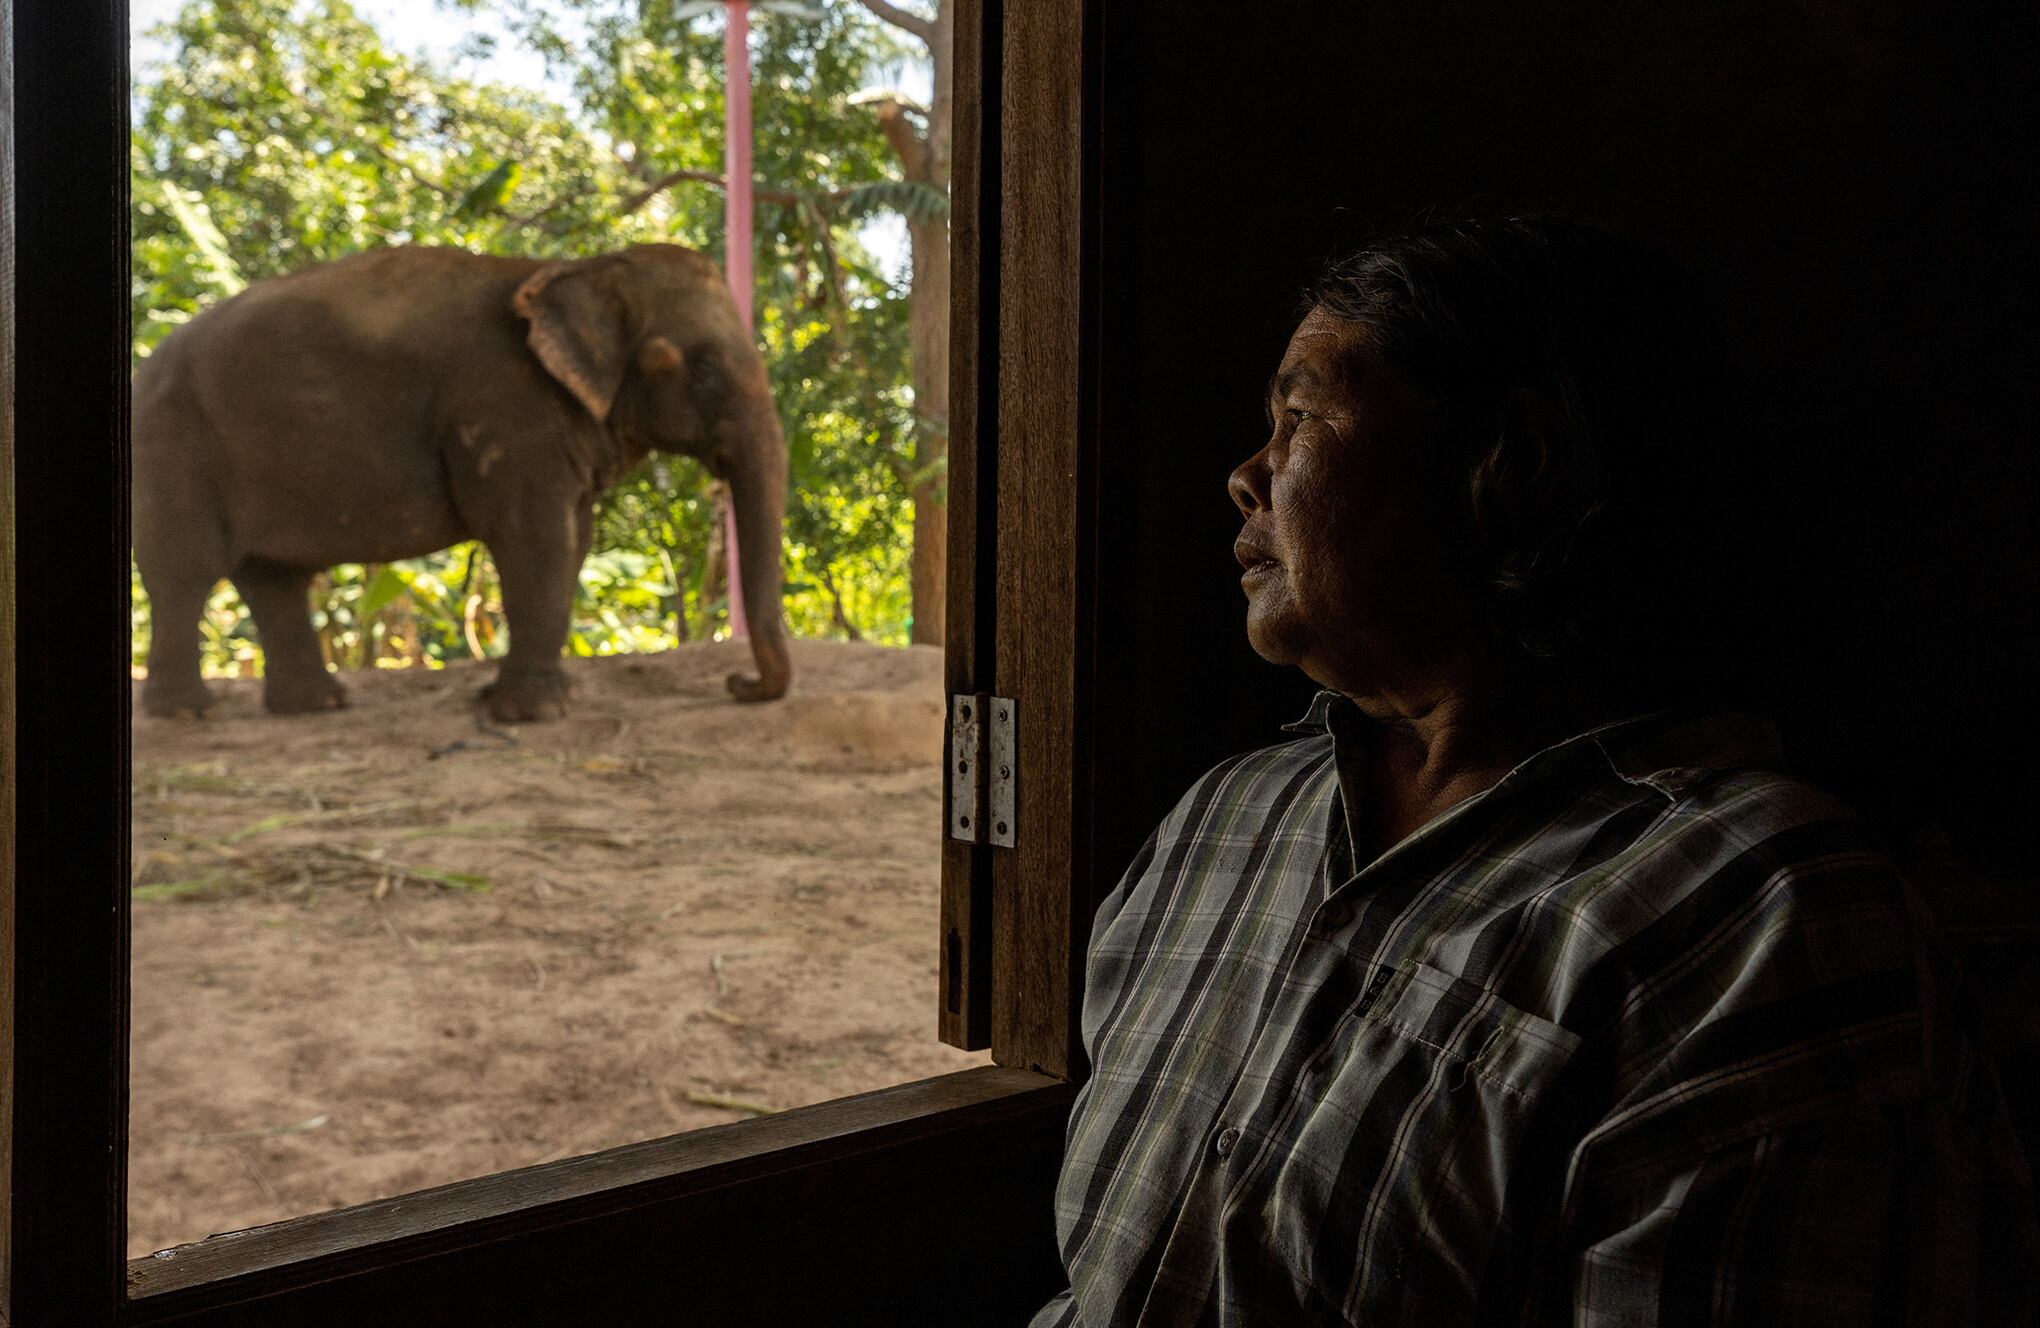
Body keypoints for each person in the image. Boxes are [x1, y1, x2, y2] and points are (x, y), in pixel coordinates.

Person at [1029, 217, 2038, 1326]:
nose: (1245, 474)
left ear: (1509, 462)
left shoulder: (1756, 919)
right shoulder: (1223, 824)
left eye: (1304, 414)